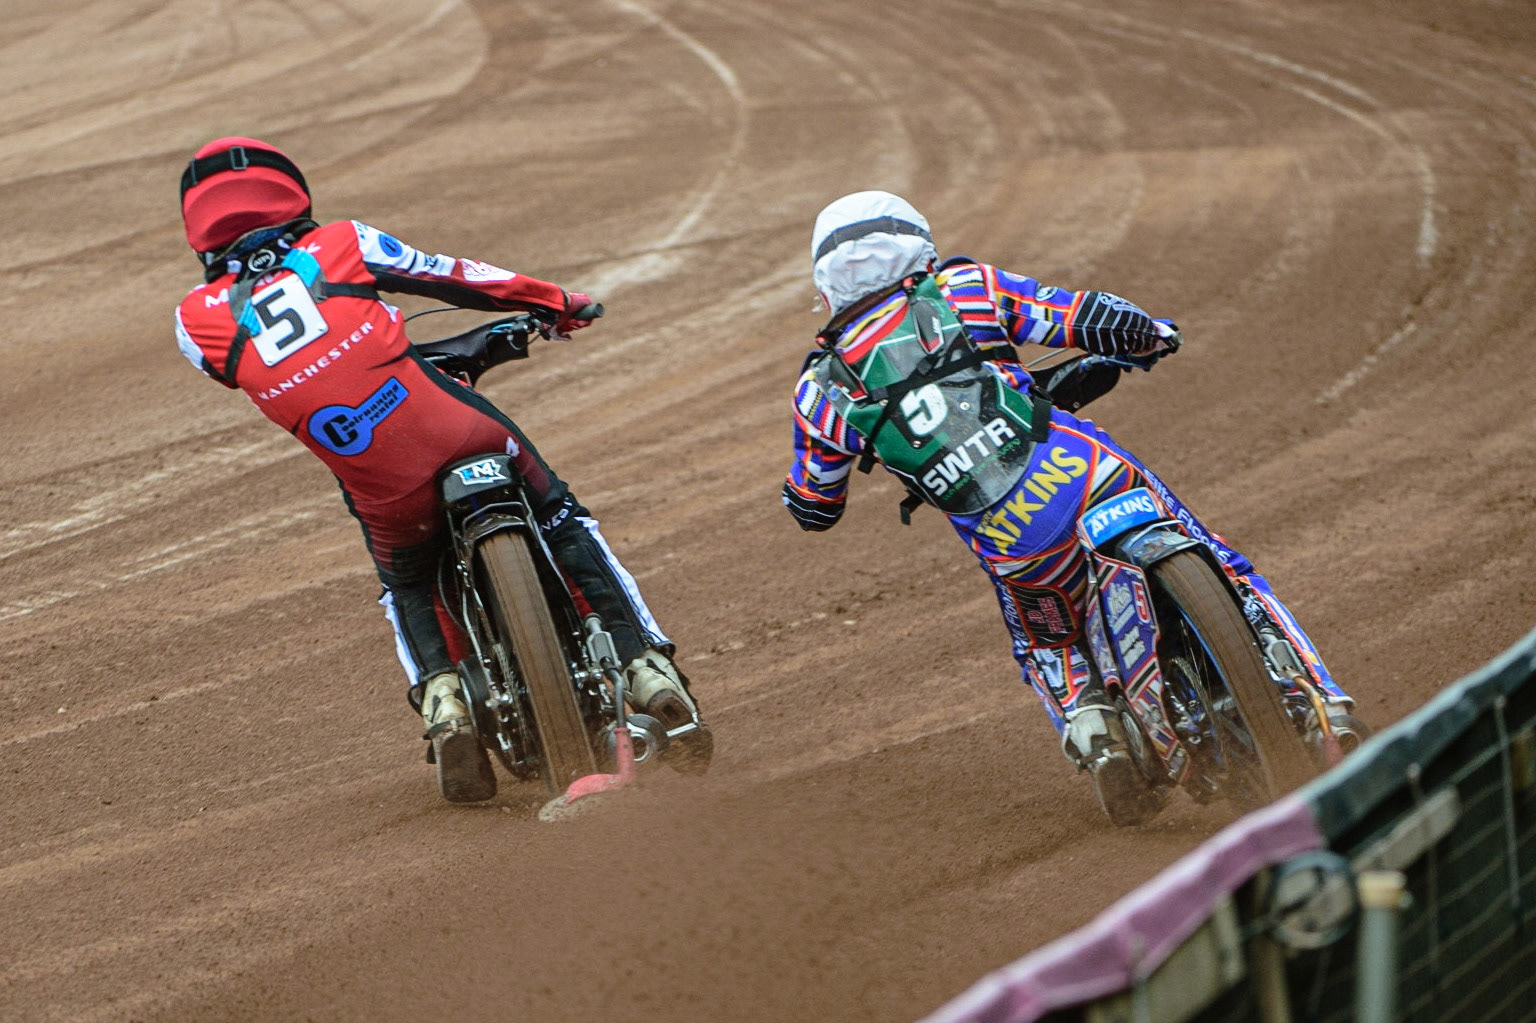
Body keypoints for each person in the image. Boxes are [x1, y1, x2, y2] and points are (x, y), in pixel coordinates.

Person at [781, 190, 1359, 817]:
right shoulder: (964, 289)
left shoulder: (821, 390)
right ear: (917, 243)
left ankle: (1100, 737)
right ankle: (1325, 702)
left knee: (1049, 642)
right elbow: (1091, 317)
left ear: (826, 283)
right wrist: (1151, 337)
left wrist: (816, 482)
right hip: (1092, 477)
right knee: (1229, 568)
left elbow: (815, 505)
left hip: (1016, 544)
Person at [174, 137, 708, 802]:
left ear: (200, 235)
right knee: (562, 515)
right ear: (293, 196)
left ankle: (444, 700)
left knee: (406, 579)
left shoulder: (193, 322)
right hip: (450, 423)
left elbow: (288, 366)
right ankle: (645, 664)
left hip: (377, 480)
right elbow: (456, 275)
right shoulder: (341, 241)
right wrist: (555, 301)